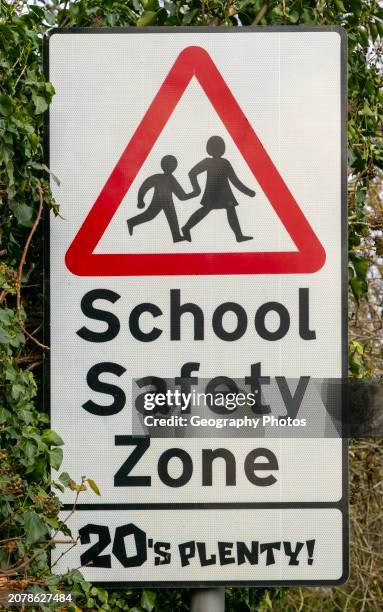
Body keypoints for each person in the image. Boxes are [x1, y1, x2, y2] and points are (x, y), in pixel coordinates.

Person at [182, 136, 255, 242]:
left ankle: (238, 236)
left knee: (228, 210)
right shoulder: (222, 162)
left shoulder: (216, 162)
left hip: (221, 194)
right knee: (209, 211)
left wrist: (196, 189)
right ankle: (186, 228)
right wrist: (248, 192)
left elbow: (234, 180)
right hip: (217, 193)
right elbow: (235, 181)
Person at [127, 155, 195, 242]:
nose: (172, 167)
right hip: (165, 201)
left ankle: (131, 222)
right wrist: (140, 200)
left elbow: (181, 196)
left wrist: (140, 200)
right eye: (172, 165)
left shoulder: (164, 178)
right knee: (167, 214)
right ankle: (176, 236)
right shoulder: (163, 178)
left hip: (161, 200)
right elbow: (145, 186)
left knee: (151, 215)